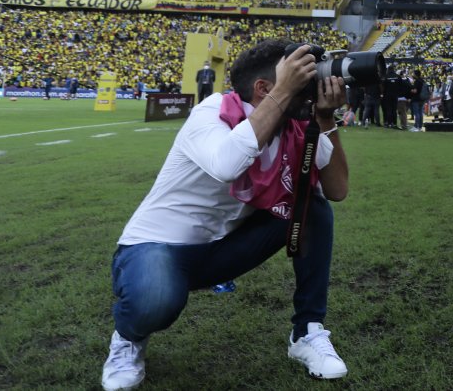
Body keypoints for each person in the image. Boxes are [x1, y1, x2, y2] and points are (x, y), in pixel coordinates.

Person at [99, 40, 351, 390]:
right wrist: (285, 92)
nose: (307, 83)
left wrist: (325, 118)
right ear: (264, 88)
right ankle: (128, 338)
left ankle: (307, 332)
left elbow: (337, 190)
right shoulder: (213, 110)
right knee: (156, 299)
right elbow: (227, 164)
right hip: (156, 246)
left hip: (221, 252)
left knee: (312, 205)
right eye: (297, 76)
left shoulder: (295, 127)